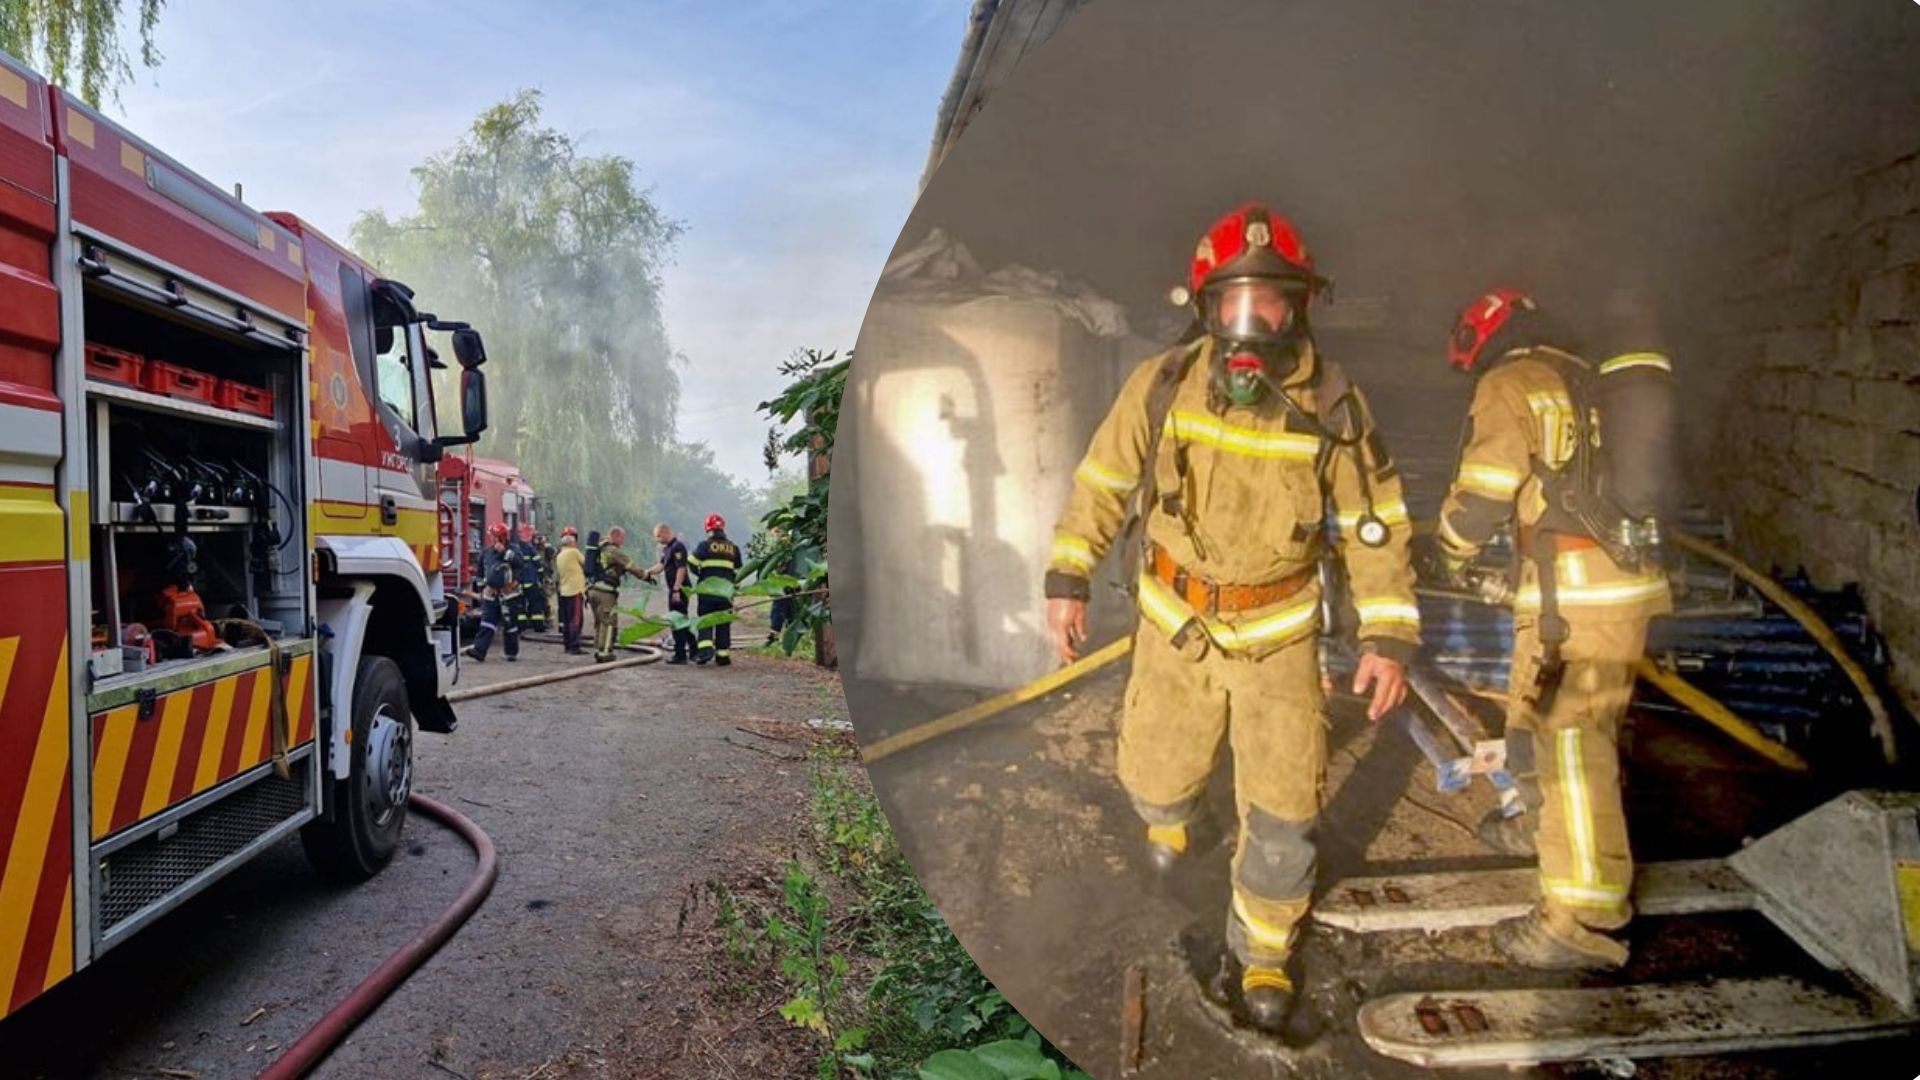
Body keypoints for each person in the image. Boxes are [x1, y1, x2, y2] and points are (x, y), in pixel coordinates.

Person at [1042, 203, 1417, 1033]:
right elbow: (1102, 483)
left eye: (1270, 303)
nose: (1251, 325)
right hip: (1177, 626)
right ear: (1205, 308)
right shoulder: (1164, 382)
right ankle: (1178, 821)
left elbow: (1374, 524)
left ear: (1299, 307)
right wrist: (1068, 576)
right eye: (1234, 304)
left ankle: (1265, 956)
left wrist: (1389, 634)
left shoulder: (1334, 404)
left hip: (1280, 640)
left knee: (1285, 811)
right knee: (1153, 781)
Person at [1433, 289, 1672, 970]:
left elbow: (1482, 494)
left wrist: (1447, 549)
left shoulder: (1512, 383)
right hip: (1605, 588)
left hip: (1577, 593)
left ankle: (1586, 921)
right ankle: (1537, 828)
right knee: (1534, 712)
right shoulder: (1588, 379)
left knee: (1572, 743)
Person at [587, 525, 650, 663]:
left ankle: (599, 648)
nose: (623, 541)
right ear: (615, 536)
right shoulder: (612, 550)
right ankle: (605, 652)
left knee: (599, 621)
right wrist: (646, 576)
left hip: (592, 590)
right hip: (606, 591)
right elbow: (629, 565)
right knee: (609, 622)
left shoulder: (598, 548)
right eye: (622, 538)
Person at [463, 522, 523, 662]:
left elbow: (519, 563)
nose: (492, 539)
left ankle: (511, 652)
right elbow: (480, 573)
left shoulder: (513, 549)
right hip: (491, 594)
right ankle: (479, 650)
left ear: (502, 537)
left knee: (510, 625)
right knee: (487, 622)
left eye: (495, 536)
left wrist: (504, 552)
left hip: (509, 594)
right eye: (492, 536)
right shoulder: (486, 552)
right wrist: (482, 588)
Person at [690, 514, 742, 666]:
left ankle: (705, 652)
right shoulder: (733, 547)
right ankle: (722, 655)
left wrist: (700, 574)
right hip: (726, 593)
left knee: (706, 620)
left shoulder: (704, 545)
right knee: (723, 622)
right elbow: (738, 570)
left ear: (708, 528)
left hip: (707, 591)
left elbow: (691, 562)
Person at [646, 523, 695, 665]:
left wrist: (676, 589)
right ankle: (694, 650)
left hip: (679, 590)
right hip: (674, 589)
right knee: (680, 621)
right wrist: (646, 572)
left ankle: (680, 654)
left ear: (666, 533)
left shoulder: (678, 547)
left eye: (658, 536)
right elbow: (661, 566)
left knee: (677, 621)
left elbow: (681, 569)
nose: (657, 539)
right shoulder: (667, 549)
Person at [554, 526, 587, 655]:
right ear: (573, 540)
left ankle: (567, 645)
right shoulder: (574, 552)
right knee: (576, 620)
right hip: (575, 590)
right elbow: (586, 564)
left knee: (567, 620)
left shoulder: (560, 555)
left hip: (564, 590)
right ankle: (575, 646)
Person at [513, 522, 545, 635]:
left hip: (517, 583)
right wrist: (541, 577)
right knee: (535, 604)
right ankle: (538, 626)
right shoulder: (529, 548)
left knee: (519, 605)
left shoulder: (513, 548)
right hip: (531, 581)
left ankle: (521, 627)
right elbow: (538, 565)